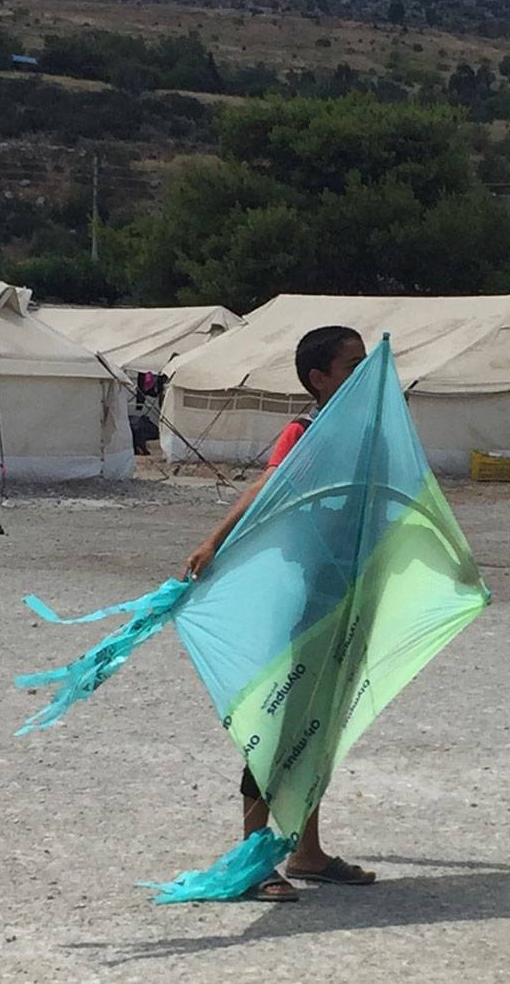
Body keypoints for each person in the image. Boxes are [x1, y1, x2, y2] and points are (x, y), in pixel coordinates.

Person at [182, 325, 376, 902]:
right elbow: (265, 490)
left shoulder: (368, 433)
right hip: (307, 603)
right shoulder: (307, 433)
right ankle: (250, 859)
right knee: (282, 725)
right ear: (319, 380)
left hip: (348, 601)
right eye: (352, 365)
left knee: (321, 728)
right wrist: (215, 540)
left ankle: (307, 852)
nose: (363, 374)